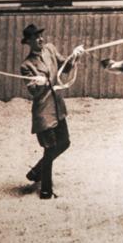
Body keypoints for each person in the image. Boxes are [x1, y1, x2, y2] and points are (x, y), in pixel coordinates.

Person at [19, 23, 86, 199]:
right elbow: (33, 91)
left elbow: (66, 67)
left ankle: (36, 172)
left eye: (41, 36)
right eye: (35, 38)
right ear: (28, 42)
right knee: (50, 149)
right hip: (43, 112)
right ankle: (46, 191)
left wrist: (75, 56)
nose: (40, 39)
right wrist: (37, 83)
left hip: (57, 108)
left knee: (65, 142)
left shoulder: (50, 49)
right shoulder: (26, 65)